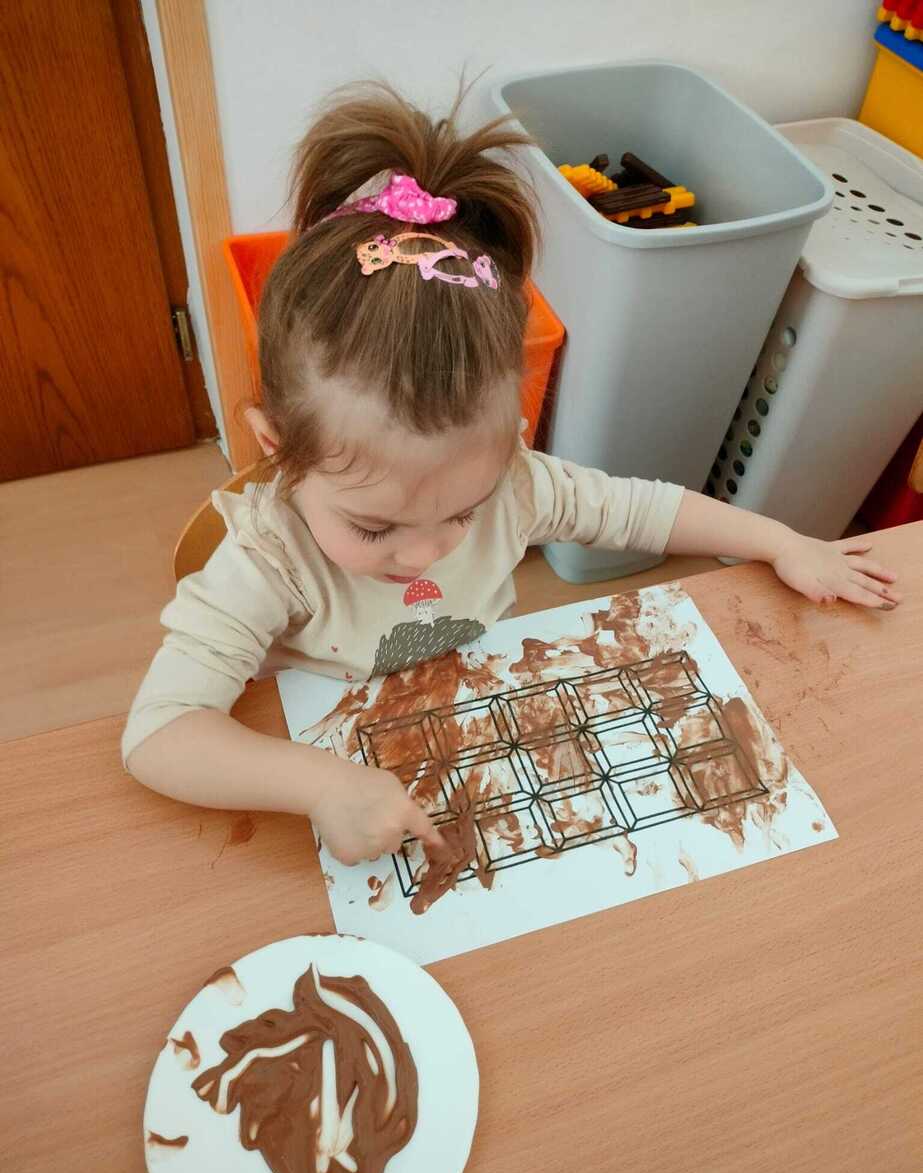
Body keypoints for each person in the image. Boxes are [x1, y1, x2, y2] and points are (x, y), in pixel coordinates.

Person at [123, 84, 900, 866]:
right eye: (373, 525)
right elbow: (160, 733)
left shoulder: (518, 485)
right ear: (276, 447)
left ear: (515, 439)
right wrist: (319, 785)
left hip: (461, 714)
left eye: (465, 510)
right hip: (321, 742)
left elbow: (643, 512)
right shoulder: (268, 559)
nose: (425, 553)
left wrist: (779, 542)